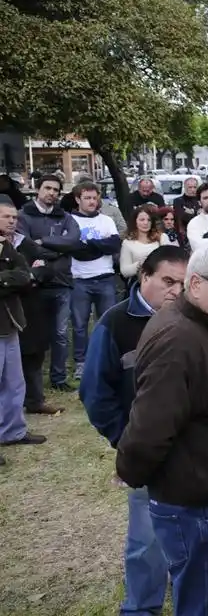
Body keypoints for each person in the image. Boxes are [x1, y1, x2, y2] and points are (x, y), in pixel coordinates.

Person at [115, 242, 208, 616]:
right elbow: (150, 425)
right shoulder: (179, 340)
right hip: (197, 506)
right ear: (195, 285)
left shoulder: (205, 325)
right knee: (207, 601)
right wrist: (131, 470)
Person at [78, 245, 188, 616]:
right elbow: (95, 391)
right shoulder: (115, 323)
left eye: (183, 283)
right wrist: (126, 440)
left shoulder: (193, 320)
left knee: (190, 533)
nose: (176, 291)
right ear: (144, 277)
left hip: (191, 452)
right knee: (146, 541)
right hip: (145, 453)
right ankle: (141, 608)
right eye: (168, 281)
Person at [17, 173, 81, 391]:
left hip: (61, 282)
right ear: (38, 189)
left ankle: (59, 378)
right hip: (33, 285)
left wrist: (44, 242)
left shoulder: (65, 217)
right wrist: (56, 249)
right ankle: (32, 385)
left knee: (61, 334)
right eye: (48, 188)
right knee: (34, 336)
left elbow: (72, 241)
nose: (51, 193)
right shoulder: (24, 215)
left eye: (55, 190)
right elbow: (24, 244)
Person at [0, 196, 48, 458]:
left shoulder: (9, 246)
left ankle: (12, 431)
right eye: (6, 217)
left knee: (14, 383)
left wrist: (12, 279)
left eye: (14, 217)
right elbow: (20, 276)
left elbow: (25, 274)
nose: (12, 221)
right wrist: (16, 279)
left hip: (11, 323)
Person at [69, 181, 122, 379]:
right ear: (77, 199)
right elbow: (75, 249)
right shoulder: (70, 220)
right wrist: (100, 246)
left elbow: (114, 244)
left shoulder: (106, 220)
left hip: (105, 277)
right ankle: (81, 363)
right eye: (87, 198)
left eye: (94, 197)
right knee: (80, 324)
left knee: (107, 322)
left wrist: (90, 243)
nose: (92, 202)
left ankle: (106, 359)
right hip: (79, 279)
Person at [120, 205, 171, 284]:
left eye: (149, 220)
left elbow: (171, 260)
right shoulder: (127, 243)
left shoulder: (162, 238)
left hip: (162, 281)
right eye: (142, 220)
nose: (146, 223)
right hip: (138, 283)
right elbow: (124, 271)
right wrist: (140, 264)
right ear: (135, 221)